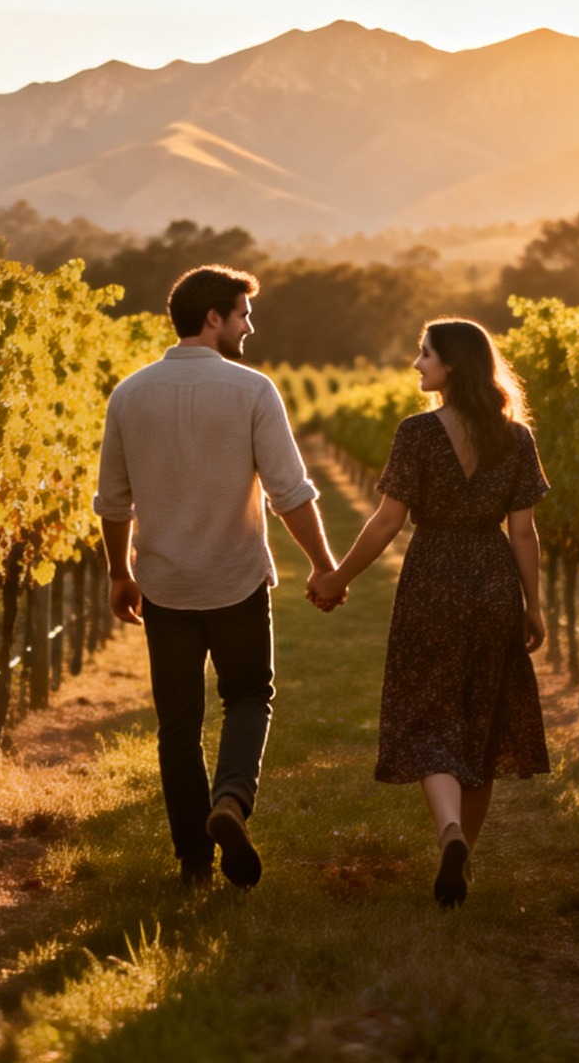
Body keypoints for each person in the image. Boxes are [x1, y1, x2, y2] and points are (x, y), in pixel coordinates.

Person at [94, 264, 340, 889]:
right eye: (242, 315)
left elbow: (113, 501)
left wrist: (120, 574)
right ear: (213, 319)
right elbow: (290, 493)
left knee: (177, 724)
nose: (249, 327)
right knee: (249, 697)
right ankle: (230, 800)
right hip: (234, 578)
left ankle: (194, 863)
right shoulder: (253, 391)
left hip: (165, 586)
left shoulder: (128, 394)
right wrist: (322, 564)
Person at [307, 318, 550, 907]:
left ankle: (448, 834)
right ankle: (464, 853)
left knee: (428, 716)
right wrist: (532, 605)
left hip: (431, 578)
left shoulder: (416, 433)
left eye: (425, 354)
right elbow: (523, 533)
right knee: (481, 721)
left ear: (452, 365)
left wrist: (338, 575)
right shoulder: (514, 438)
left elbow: (388, 521)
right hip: (492, 578)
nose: (417, 364)